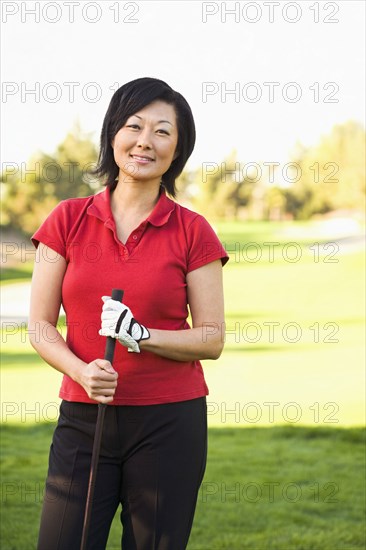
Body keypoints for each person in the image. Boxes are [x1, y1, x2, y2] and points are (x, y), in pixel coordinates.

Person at [29, 77, 229, 550]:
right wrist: (81, 371)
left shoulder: (193, 231)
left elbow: (211, 338)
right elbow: (40, 326)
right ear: (113, 134)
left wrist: (140, 334)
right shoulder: (67, 219)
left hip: (169, 422)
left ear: (177, 149)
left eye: (163, 131)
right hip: (83, 416)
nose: (145, 141)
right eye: (134, 126)